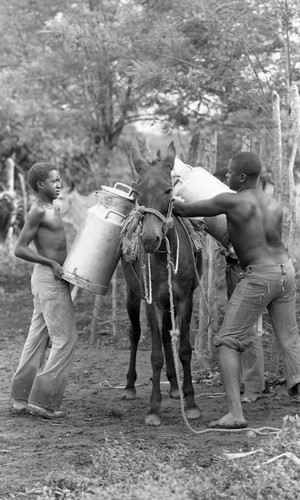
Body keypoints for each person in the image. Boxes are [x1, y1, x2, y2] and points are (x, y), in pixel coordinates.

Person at [173, 151, 300, 429]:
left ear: (241, 177)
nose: (225, 177)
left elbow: (182, 210)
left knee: (228, 340)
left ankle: (235, 415)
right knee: (289, 336)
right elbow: (256, 237)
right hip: (285, 272)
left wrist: (167, 192)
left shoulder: (231, 201)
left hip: (260, 276)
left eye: (229, 173)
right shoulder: (273, 204)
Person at [10, 162, 77, 419]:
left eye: (59, 180)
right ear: (40, 185)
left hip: (49, 278)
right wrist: (50, 262)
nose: (59, 184)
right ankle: (43, 401)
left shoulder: (53, 207)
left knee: (37, 336)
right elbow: (19, 248)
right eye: (54, 181)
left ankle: (22, 395)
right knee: (65, 339)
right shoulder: (38, 210)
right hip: (48, 278)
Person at [213, 169, 265, 403]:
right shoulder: (236, 206)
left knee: (248, 328)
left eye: (225, 179)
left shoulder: (247, 206)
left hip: (247, 270)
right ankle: (249, 383)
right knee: (242, 327)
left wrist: (233, 251)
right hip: (236, 269)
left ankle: (254, 387)